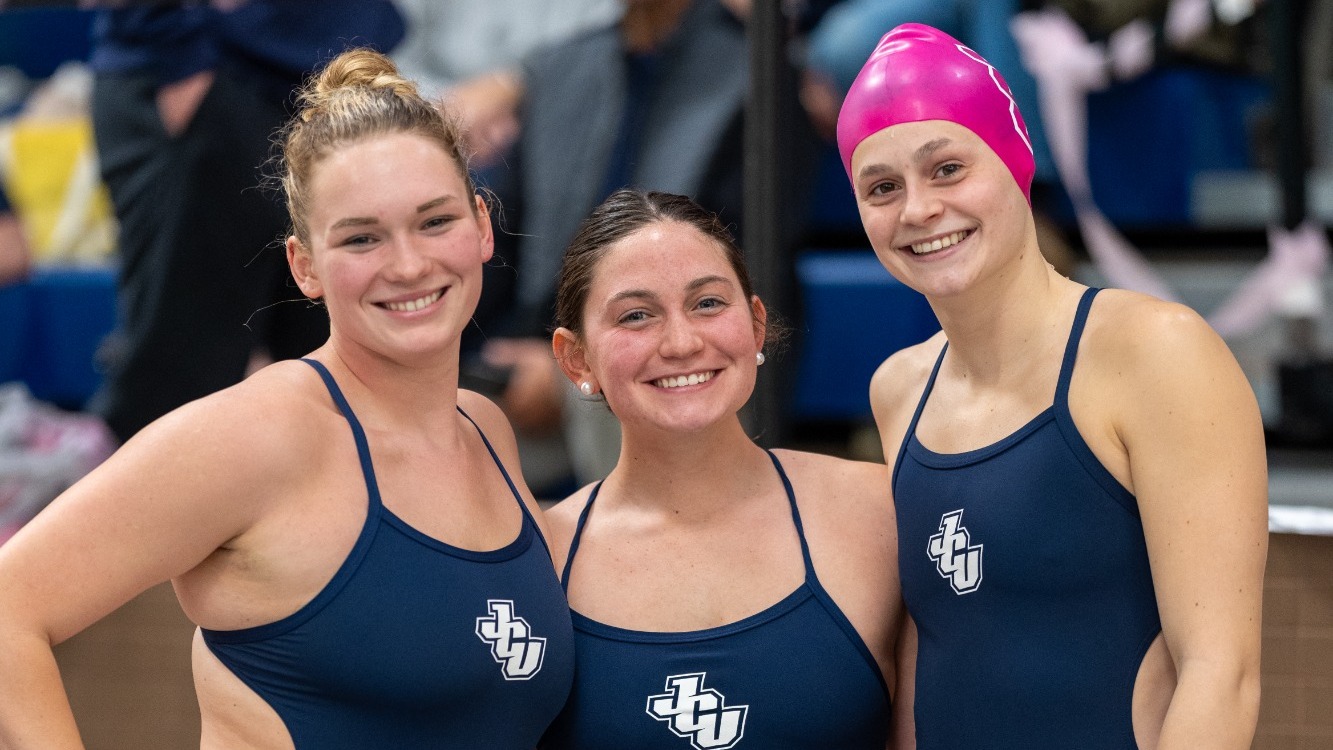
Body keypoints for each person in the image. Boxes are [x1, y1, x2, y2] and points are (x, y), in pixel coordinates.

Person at [0, 49, 574, 748]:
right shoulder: (260, 435)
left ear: (481, 226)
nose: (408, 264)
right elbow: (10, 606)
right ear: (304, 266)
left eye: (434, 222)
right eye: (362, 238)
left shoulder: (485, 430)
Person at [838, 24, 1267, 749]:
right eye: (882, 187)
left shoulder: (1154, 351)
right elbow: (932, 651)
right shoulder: (899, 388)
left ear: (1015, 161)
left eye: (947, 168)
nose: (916, 209)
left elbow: (1220, 674)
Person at [539, 189, 901, 748]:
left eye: (708, 303)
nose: (682, 343)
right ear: (576, 358)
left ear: (755, 324)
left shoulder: (877, 512)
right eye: (636, 316)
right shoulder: (541, 560)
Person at [86, 1, 404, 444]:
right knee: (181, 388)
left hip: (318, 74)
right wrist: (180, 54)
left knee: (337, 377)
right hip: (209, 73)